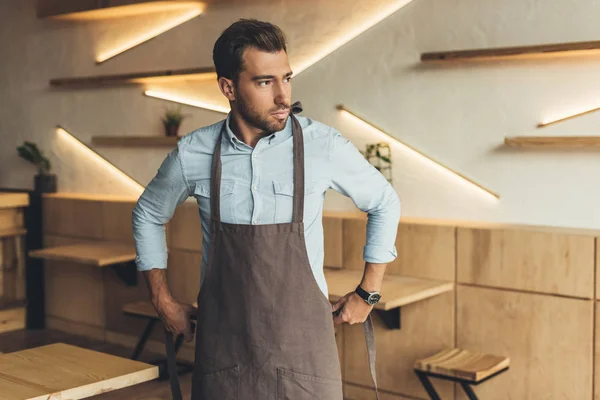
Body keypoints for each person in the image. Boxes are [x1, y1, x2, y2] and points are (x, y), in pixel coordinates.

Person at [132, 18, 400, 400]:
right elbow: (148, 213)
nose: (283, 97)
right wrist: (161, 298)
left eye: (286, 78)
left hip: (303, 356)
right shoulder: (195, 152)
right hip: (225, 355)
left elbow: (384, 202)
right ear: (228, 87)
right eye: (264, 82)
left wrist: (368, 292)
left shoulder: (322, 145)